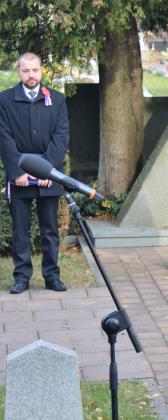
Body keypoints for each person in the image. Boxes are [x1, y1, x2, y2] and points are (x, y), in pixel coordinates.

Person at [0, 52, 69, 295]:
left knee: (50, 229)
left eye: (35, 70)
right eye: (26, 70)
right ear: (18, 71)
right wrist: (17, 171)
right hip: (19, 174)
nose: (31, 75)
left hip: (49, 174)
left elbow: (61, 136)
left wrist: (46, 170)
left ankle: (52, 276)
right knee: (20, 230)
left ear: (42, 70)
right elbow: (3, 137)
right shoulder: (4, 100)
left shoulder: (57, 99)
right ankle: (21, 277)